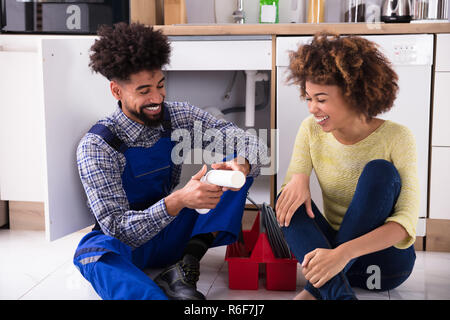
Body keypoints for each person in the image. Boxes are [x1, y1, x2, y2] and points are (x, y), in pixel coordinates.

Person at [73, 22, 267, 300]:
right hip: (130, 243)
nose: (157, 98)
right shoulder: (97, 146)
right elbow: (118, 229)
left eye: (160, 85)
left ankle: (184, 266)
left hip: (172, 231)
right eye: (144, 91)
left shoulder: (177, 117)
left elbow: (250, 142)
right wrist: (178, 201)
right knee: (90, 252)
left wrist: (244, 163)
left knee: (231, 167)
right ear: (117, 91)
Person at [275, 33, 419, 300]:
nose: (312, 109)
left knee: (380, 171)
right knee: (285, 198)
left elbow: (406, 223)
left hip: (382, 265)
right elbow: (290, 199)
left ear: (354, 94)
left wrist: (344, 254)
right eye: (308, 98)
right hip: (330, 258)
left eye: (321, 99)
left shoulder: (398, 137)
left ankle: (314, 292)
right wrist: (298, 179)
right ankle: (339, 295)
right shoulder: (310, 130)